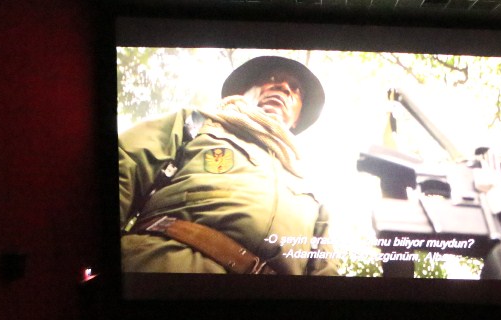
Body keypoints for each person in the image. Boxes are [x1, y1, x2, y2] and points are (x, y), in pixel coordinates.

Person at [119, 55, 338, 276]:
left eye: (296, 89)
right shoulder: (197, 123)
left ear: (298, 119)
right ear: (243, 92)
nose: (283, 87)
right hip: (163, 266)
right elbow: (125, 166)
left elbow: (325, 269)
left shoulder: (310, 186)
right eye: (271, 78)